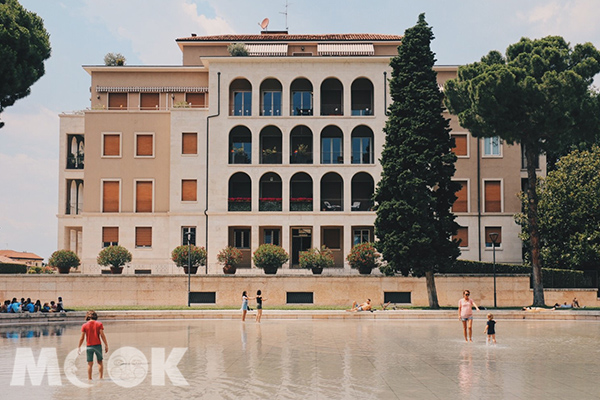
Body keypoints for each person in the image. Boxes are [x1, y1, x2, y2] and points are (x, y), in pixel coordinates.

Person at [78, 310, 109, 380]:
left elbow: (82, 338)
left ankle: (89, 379)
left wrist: (79, 346)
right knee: (100, 361)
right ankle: (100, 378)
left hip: (89, 346)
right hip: (98, 345)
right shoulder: (99, 324)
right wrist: (106, 345)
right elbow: (102, 335)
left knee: (90, 363)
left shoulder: (84, 325)